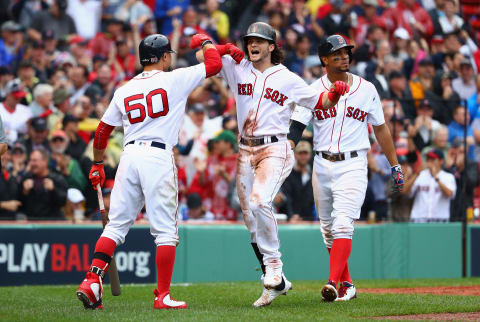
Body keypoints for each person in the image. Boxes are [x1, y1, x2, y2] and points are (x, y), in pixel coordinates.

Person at [193, 22, 343, 307]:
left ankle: (274, 266)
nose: (253, 44)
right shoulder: (237, 67)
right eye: (249, 39)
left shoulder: (286, 78)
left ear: (272, 46)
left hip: (274, 146)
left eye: (259, 40)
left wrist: (334, 93)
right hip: (244, 149)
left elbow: (319, 101)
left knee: (261, 202)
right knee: (251, 219)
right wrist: (212, 45)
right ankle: (276, 281)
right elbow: (204, 59)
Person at [76, 33, 222, 310]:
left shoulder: (124, 88)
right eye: (169, 55)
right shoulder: (174, 78)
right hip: (157, 154)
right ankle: (163, 296)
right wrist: (205, 42)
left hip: (129, 156)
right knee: (165, 231)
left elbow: (102, 131)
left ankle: (92, 281)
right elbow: (213, 65)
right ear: (165, 56)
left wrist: (97, 164)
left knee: (116, 226)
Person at [290, 34, 404, 302]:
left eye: (346, 52)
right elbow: (296, 126)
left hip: (353, 163)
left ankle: (332, 282)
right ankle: (347, 284)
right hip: (321, 163)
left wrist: (395, 164)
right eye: (337, 53)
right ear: (324, 59)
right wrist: (285, 151)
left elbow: (380, 128)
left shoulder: (367, 89)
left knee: (343, 225)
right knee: (328, 230)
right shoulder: (313, 89)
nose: (344, 56)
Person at [402, 149, 456, 222]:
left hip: (440, 221)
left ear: (441, 161)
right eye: (428, 159)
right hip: (419, 220)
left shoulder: (448, 177)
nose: (429, 162)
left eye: (433, 159)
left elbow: (449, 194)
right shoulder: (420, 175)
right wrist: (416, 174)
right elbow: (404, 191)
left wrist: (436, 178)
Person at [18, 147, 68, 219]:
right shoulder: (26, 178)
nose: (31, 164)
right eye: (30, 160)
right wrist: (25, 192)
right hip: (32, 224)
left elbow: (63, 202)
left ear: (45, 161)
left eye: (34, 160)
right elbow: (19, 205)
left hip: (52, 223)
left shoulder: (57, 179)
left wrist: (53, 190)